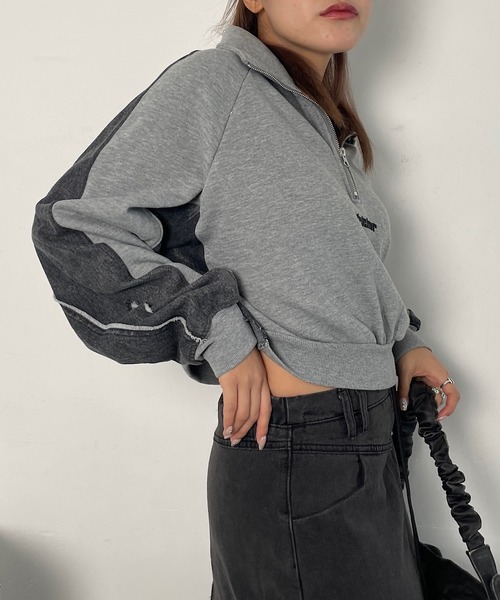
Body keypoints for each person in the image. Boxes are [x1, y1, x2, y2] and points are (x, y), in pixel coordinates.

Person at [32, 0, 461, 598]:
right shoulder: (217, 83)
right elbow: (75, 223)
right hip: (295, 446)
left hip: (368, 437)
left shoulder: (317, 118)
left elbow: (333, 268)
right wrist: (216, 330)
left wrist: (403, 343)